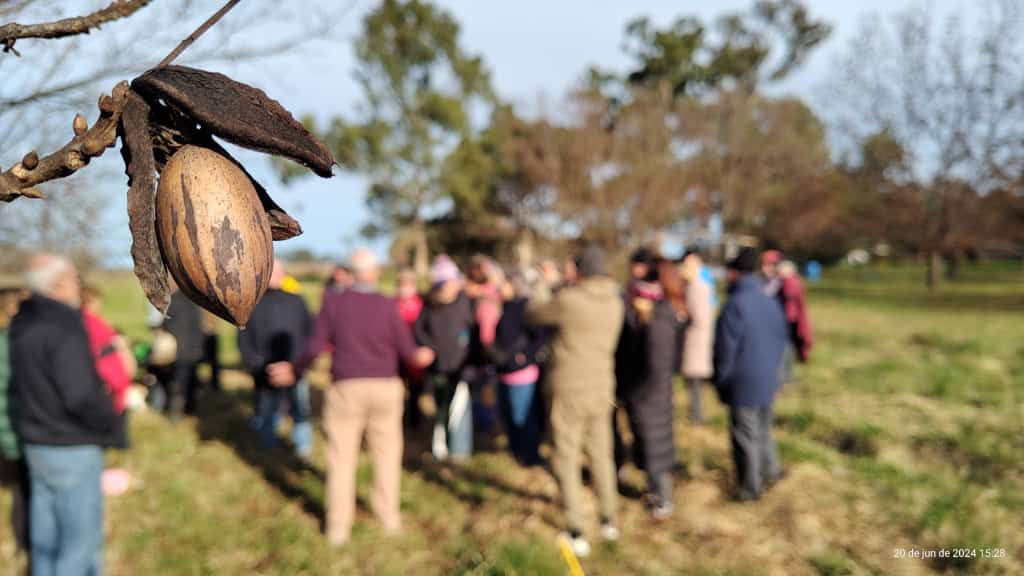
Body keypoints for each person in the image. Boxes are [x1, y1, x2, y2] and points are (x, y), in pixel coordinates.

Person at [299, 248, 433, 547]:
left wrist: (296, 369)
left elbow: (314, 346)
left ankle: (338, 528)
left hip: (347, 388)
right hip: (385, 387)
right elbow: (406, 349)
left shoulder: (334, 303)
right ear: (374, 273)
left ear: (350, 272)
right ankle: (388, 518)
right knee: (386, 454)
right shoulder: (388, 306)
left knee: (341, 458)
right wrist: (420, 356)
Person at [9, 254, 123, 575]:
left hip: (35, 441)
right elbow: (80, 395)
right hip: (71, 445)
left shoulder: (22, 321)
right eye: (74, 278)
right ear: (58, 284)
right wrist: (110, 420)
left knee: (46, 538)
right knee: (79, 545)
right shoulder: (65, 325)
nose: (78, 285)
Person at [528, 245, 623, 558]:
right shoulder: (614, 302)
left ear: (579, 272)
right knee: (601, 455)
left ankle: (576, 529)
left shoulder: (569, 301)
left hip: (569, 389)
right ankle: (609, 520)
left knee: (566, 457)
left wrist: (544, 283)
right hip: (602, 387)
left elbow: (534, 313)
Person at [713, 248, 788, 502]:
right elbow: (782, 342)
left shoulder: (734, 305)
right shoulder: (771, 301)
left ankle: (750, 490)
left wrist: (721, 381)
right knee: (764, 431)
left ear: (734, 273)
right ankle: (772, 472)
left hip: (742, 383)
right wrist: (778, 375)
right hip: (768, 378)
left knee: (745, 438)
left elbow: (725, 350)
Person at [238, 259, 314, 459]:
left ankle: (303, 449)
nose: (275, 276)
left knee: (301, 409)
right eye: (271, 272)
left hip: (295, 367)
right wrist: (254, 363)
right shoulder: (252, 303)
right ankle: (267, 448)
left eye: (278, 272)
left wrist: (298, 363)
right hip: (264, 368)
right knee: (267, 410)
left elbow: (309, 333)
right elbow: (244, 336)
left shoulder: (297, 301)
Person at [631, 259, 686, 519]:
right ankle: (658, 494)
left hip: (652, 395)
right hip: (659, 391)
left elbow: (656, 363)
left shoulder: (660, 323)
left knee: (655, 446)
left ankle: (662, 500)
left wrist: (637, 393)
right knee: (656, 445)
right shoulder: (668, 314)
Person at [414, 255, 477, 461]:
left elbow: (475, 333)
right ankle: (440, 449)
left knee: (460, 410)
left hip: (462, 367)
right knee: (441, 409)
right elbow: (419, 330)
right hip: (439, 367)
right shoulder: (430, 305)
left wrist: (471, 358)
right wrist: (431, 349)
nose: (452, 286)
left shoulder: (466, 302)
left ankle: (460, 451)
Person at [491, 272, 547, 466]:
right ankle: (516, 451)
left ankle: (531, 456)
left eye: (503, 284)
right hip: (504, 372)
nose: (499, 288)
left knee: (523, 416)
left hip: (523, 374)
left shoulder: (525, 307)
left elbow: (540, 337)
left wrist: (525, 356)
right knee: (508, 416)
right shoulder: (504, 307)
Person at [614, 248, 662, 477]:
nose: (635, 270)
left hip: (642, 370)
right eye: (634, 265)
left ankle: (643, 460)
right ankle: (620, 460)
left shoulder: (659, 297)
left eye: (640, 265)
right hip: (621, 364)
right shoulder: (625, 294)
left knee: (640, 422)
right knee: (615, 419)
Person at [0, 286, 29, 564]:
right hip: (15, 430)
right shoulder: (8, 342)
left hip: (15, 428)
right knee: (25, 489)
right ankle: (24, 542)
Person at [81, 287, 134, 415]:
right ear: (88, 303)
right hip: (106, 384)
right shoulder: (85, 323)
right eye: (97, 302)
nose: (100, 306)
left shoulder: (97, 321)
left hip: (115, 385)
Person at [679, 250, 715, 424]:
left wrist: (683, 319)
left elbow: (699, 317)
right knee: (694, 382)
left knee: (694, 382)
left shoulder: (697, 287)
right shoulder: (696, 286)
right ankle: (695, 414)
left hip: (696, 340)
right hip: (697, 340)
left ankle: (696, 416)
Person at [160, 290, 204, 419]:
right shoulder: (194, 303)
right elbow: (198, 327)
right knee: (190, 381)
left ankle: (175, 414)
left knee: (176, 383)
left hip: (174, 351)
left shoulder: (171, 302)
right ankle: (189, 411)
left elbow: (165, 325)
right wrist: (198, 349)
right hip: (190, 351)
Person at [779, 260, 813, 373]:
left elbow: (789, 295)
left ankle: (788, 369)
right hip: (791, 316)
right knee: (790, 343)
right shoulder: (793, 281)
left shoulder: (790, 282)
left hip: (790, 318)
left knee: (789, 343)